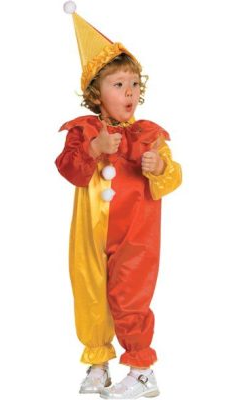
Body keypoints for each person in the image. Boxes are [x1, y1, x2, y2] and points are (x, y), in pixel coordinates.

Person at [55, 3, 182, 399]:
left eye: (135, 84)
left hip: (135, 238)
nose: (130, 92)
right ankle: (98, 364)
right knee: (91, 293)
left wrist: (159, 166)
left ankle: (142, 372)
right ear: (96, 94)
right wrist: (94, 148)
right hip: (91, 235)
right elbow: (68, 169)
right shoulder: (83, 132)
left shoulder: (148, 134)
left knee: (130, 297)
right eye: (119, 84)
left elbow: (174, 176)